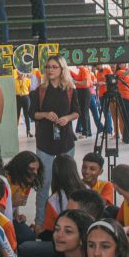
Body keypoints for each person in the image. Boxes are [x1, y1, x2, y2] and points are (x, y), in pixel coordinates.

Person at [30, 54, 81, 225]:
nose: (50, 70)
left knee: (66, 185)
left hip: (66, 142)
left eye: (54, 67)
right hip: (45, 143)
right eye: (48, 67)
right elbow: (32, 113)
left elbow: (76, 111)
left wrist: (67, 118)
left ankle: (67, 223)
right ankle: (41, 223)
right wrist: (44, 114)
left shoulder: (70, 89)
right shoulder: (40, 90)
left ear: (62, 69)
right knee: (44, 185)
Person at [3, 150, 42, 239]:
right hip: (1, 224)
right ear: (21, 167)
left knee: (29, 235)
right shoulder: (4, 181)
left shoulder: (25, 180)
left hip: (10, 219)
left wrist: (17, 216)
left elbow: (15, 205)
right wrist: (11, 203)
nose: (35, 173)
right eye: (31, 169)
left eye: (37, 169)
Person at [14, 67, 33, 137]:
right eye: (18, 72)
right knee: (17, 115)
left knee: (27, 115)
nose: (20, 73)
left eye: (21, 72)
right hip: (17, 98)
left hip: (25, 97)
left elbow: (29, 89)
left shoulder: (27, 80)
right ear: (17, 73)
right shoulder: (14, 81)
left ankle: (28, 131)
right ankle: (15, 132)